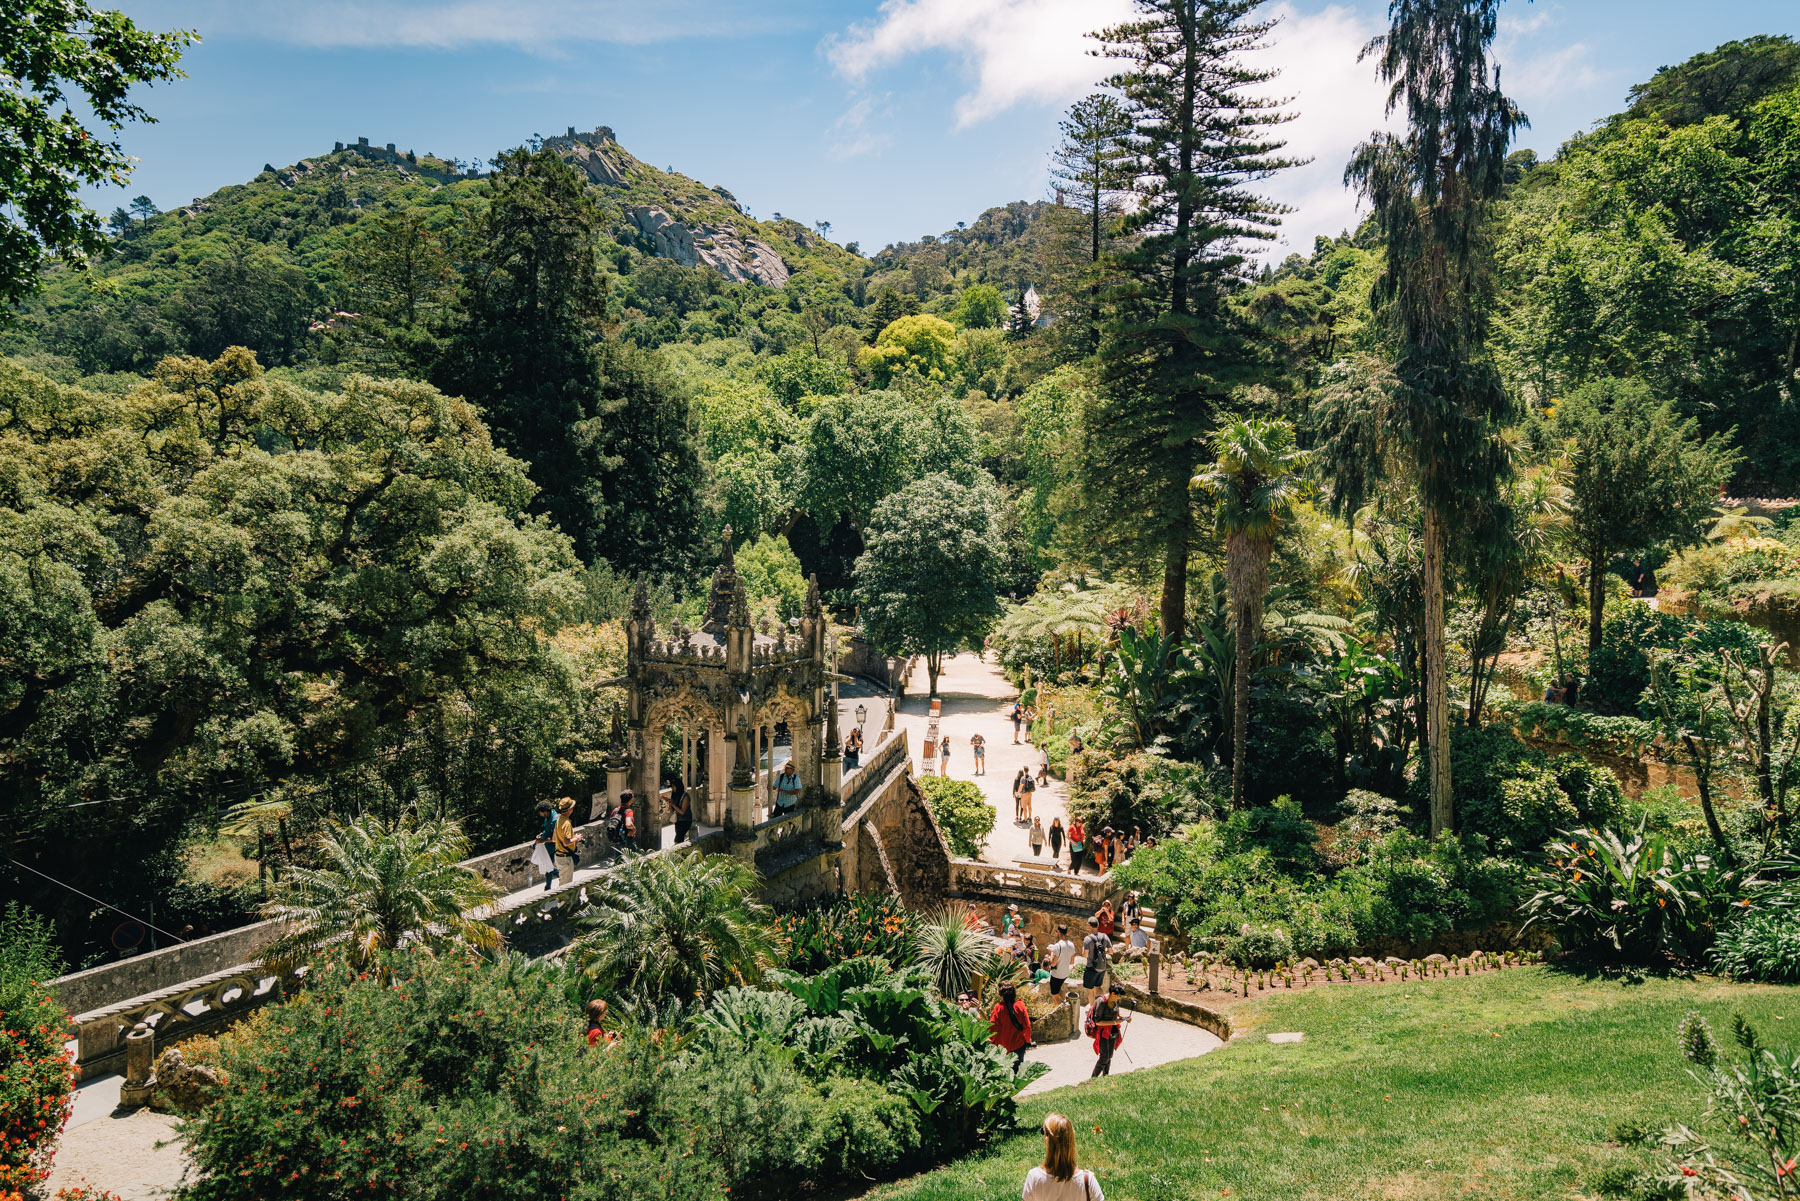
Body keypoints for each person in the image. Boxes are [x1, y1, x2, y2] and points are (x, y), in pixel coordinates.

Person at [1022, 1113, 1104, 1201]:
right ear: (1071, 1138)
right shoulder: (1087, 1180)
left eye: (1043, 1132)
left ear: (1047, 1140)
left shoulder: (1034, 1177)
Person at [988, 982, 1033, 1072]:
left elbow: (992, 1028)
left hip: (1002, 1047)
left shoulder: (998, 1008)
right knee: (1017, 1071)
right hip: (1018, 1044)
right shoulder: (1020, 1006)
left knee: (1003, 1072)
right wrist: (1027, 1040)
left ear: (1001, 994)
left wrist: (992, 1042)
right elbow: (1027, 1026)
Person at [1084, 983, 1124, 1079]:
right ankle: (1093, 1079)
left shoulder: (1115, 1001)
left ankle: (1105, 1077)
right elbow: (1098, 1022)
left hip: (1113, 1031)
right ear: (1113, 994)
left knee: (1109, 1056)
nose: (1119, 998)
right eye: (1118, 996)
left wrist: (1123, 1017)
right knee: (1104, 1057)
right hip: (1103, 1032)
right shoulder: (1101, 1001)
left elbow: (1117, 1013)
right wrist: (1114, 1022)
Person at [533, 800, 560, 891]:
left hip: (553, 845)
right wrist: (541, 834)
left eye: (540, 812)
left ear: (544, 811)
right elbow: (547, 830)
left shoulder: (555, 820)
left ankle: (550, 885)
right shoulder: (548, 817)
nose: (540, 814)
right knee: (548, 865)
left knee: (548, 865)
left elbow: (555, 838)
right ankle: (548, 886)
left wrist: (543, 840)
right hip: (547, 845)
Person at [553, 796, 582, 879]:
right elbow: (566, 842)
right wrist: (577, 838)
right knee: (566, 886)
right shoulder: (566, 823)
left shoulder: (559, 820)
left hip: (558, 856)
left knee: (562, 882)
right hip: (565, 858)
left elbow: (554, 838)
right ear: (570, 809)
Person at [1081, 917, 1112, 991]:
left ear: (1089, 925)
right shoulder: (1105, 936)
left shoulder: (1087, 939)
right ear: (1098, 925)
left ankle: (1093, 1003)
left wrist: (1083, 948)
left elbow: (1085, 955)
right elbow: (1111, 951)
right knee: (1097, 988)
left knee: (1090, 991)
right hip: (1102, 967)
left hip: (1091, 967)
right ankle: (1102, 1002)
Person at [1047, 924, 1076, 996]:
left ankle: (1058, 1006)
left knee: (1054, 994)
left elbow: (1053, 963)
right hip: (1065, 974)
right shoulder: (1071, 945)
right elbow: (1072, 962)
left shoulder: (1057, 945)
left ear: (1059, 932)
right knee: (1058, 989)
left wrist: (1051, 953)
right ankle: (1068, 1003)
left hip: (1056, 974)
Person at [668, 775, 692, 845]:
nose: (672, 788)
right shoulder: (675, 795)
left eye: (673, 786)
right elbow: (672, 811)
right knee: (679, 837)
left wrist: (673, 805)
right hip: (678, 820)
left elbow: (682, 812)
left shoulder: (686, 796)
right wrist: (670, 804)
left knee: (678, 839)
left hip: (685, 820)